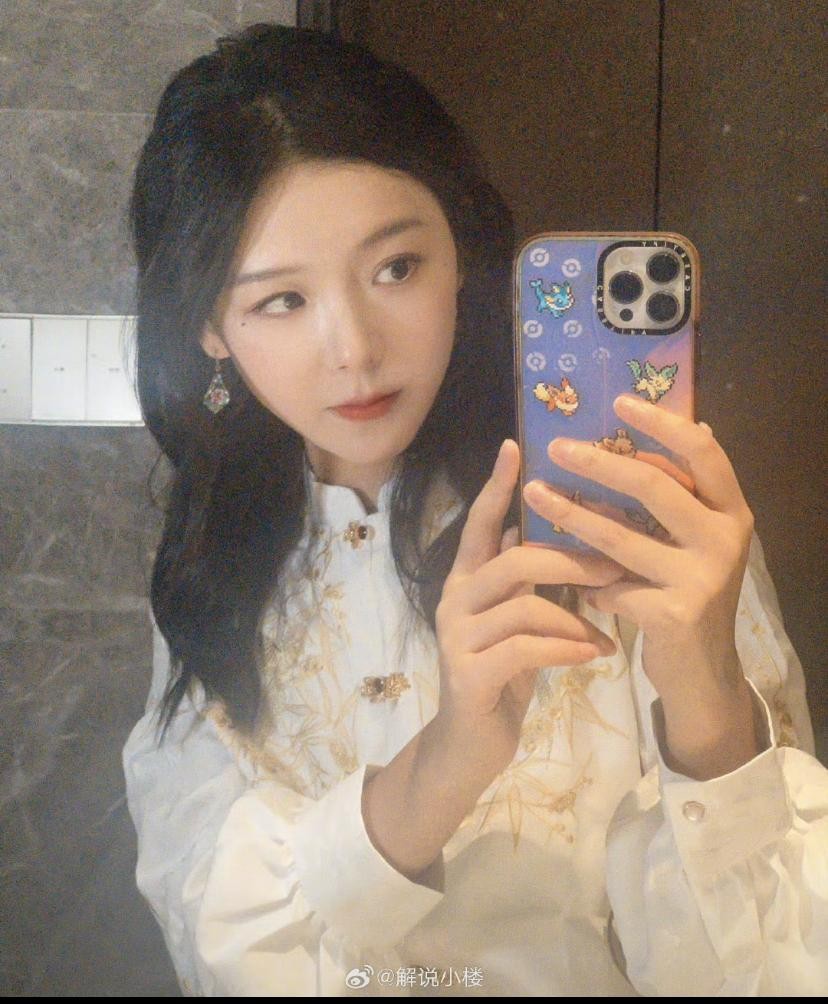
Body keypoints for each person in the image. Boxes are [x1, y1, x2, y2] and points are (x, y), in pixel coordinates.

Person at [122, 22, 827, 997]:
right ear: (208, 326)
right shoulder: (214, 564)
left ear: (460, 252)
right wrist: (445, 763)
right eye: (281, 300)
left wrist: (707, 697)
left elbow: (775, 967)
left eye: (396, 268)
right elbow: (219, 946)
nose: (355, 349)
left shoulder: (624, 507)